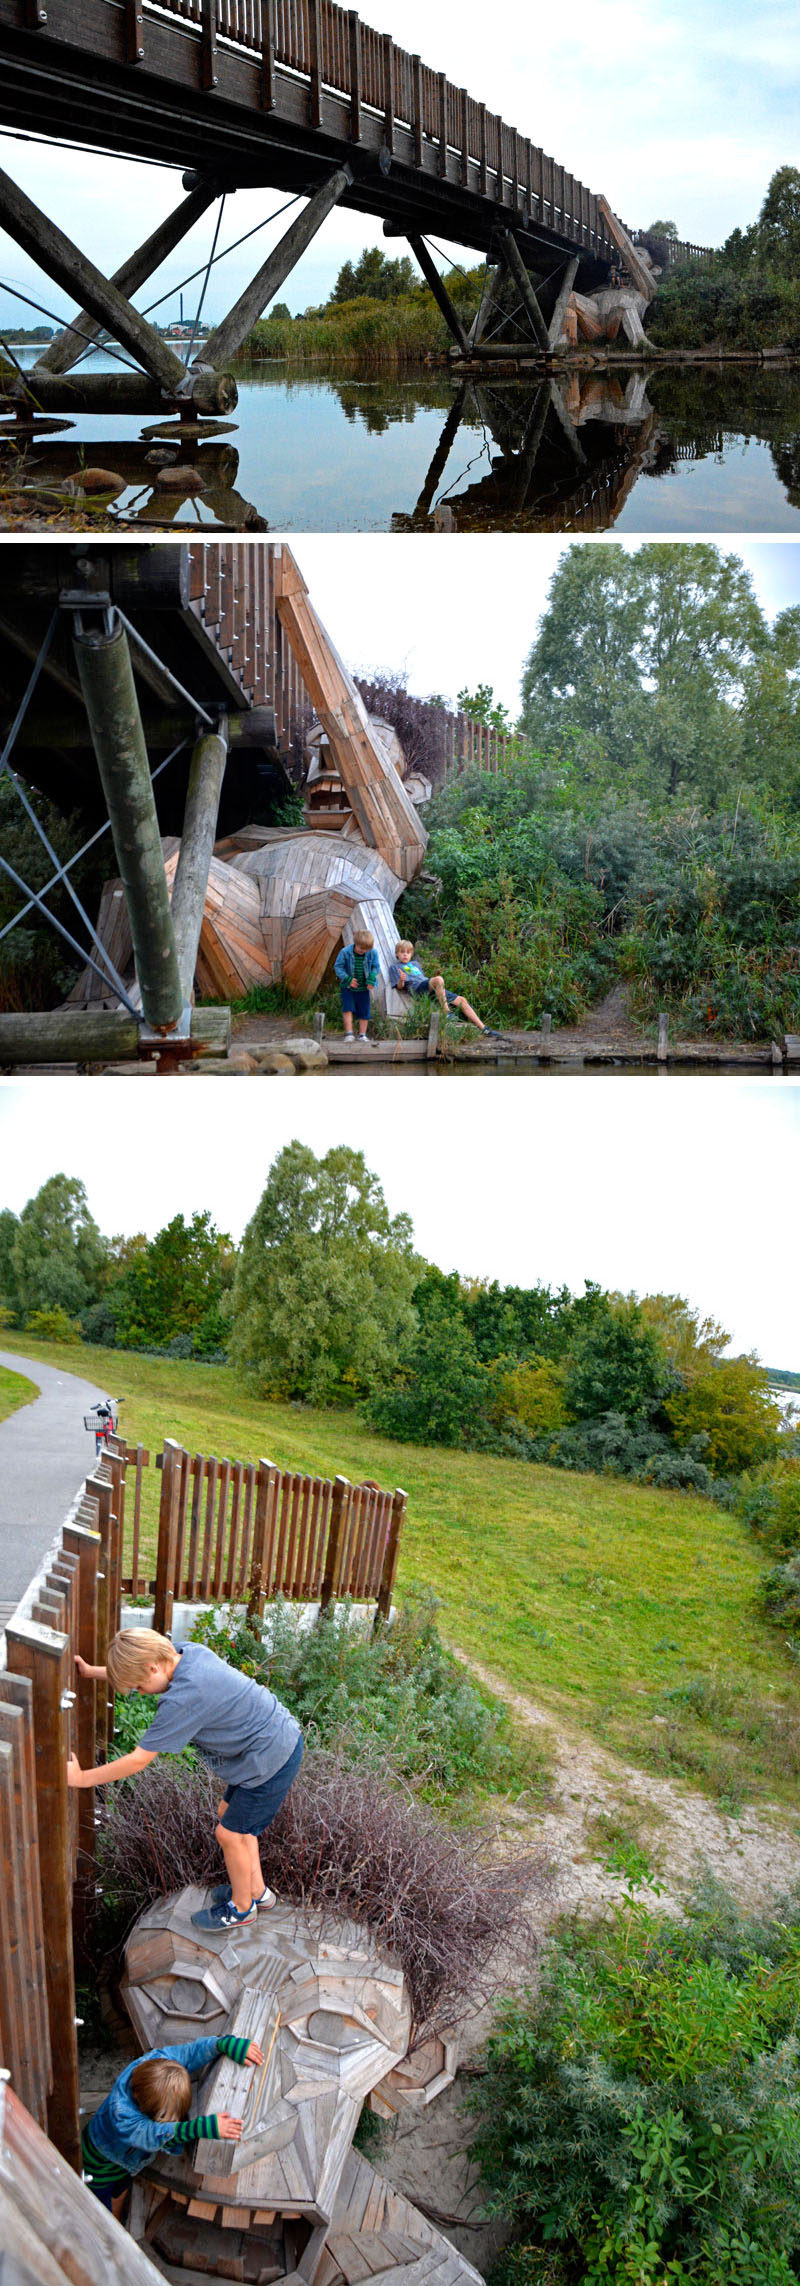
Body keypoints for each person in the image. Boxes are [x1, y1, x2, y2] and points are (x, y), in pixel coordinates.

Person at [67, 1628, 303, 1930]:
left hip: (271, 1756)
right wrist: (92, 1672)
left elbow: (138, 1759)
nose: (141, 1691)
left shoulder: (185, 1698)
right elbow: (142, 1662)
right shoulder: (185, 1653)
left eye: (139, 1685)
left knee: (229, 1834)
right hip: (270, 1740)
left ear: (153, 1668)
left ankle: (243, 1909)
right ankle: (257, 1892)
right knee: (230, 1819)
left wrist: (83, 1778)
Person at [82, 2033, 264, 2219]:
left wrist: (222, 2044)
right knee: (97, 2207)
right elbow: (154, 2133)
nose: (171, 2122)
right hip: (99, 2164)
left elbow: (190, 2052)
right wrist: (200, 2127)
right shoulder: (122, 2117)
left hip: (124, 2160)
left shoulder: (158, 2065)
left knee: (120, 2189)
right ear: (141, 2104)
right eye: (166, 2118)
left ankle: (117, 2215)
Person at [388, 940, 500, 1036]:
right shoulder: (395, 967)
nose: (405, 955)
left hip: (429, 987)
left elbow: (422, 978)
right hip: (417, 989)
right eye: (402, 952)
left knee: (462, 1000)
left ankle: (484, 1029)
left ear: (411, 954)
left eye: (408, 952)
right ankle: (446, 1012)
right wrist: (401, 979)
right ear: (397, 954)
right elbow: (399, 987)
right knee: (439, 979)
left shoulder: (415, 964)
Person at [334, 930, 380, 1042]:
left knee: (364, 1011)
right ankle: (349, 1034)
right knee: (347, 1008)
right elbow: (338, 967)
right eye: (361, 948)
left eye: (366, 949)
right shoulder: (345, 952)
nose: (363, 951)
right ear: (355, 943)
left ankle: (362, 1035)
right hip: (348, 987)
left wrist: (372, 977)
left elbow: (376, 967)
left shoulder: (372, 952)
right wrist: (348, 979)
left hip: (364, 988)